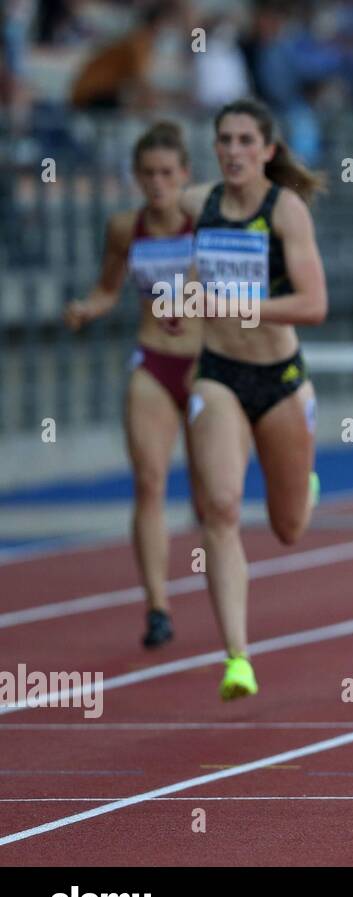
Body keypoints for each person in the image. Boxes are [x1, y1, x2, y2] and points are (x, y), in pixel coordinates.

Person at [179, 97, 328, 700]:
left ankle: (305, 486)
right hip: (217, 372)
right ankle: (236, 658)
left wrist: (238, 305)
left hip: (280, 379)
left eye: (246, 140)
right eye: (224, 140)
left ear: (268, 150)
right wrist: (173, 304)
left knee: (288, 527)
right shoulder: (197, 204)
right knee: (218, 508)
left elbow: (314, 305)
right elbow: (176, 273)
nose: (234, 150)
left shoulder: (285, 210)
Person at [64, 120, 200, 650]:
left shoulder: (205, 225)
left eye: (167, 172)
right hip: (153, 361)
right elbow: (107, 289)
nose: (158, 182)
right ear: (136, 177)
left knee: (212, 500)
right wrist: (86, 308)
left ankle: (220, 593)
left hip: (204, 365)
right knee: (149, 482)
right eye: (147, 173)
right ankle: (157, 606)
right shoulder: (125, 227)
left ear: (185, 174)